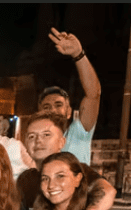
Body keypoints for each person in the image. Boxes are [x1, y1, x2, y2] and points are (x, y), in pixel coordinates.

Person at [18, 111, 114, 210]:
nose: (38, 140)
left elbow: (107, 190)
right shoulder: (25, 179)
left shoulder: (76, 169)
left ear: (61, 142)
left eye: (46, 135)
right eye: (31, 136)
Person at [39, 28, 101, 165]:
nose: (52, 110)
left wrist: (78, 55)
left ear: (69, 112)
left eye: (58, 105)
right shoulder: (36, 143)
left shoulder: (78, 133)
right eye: (46, 107)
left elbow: (93, 94)